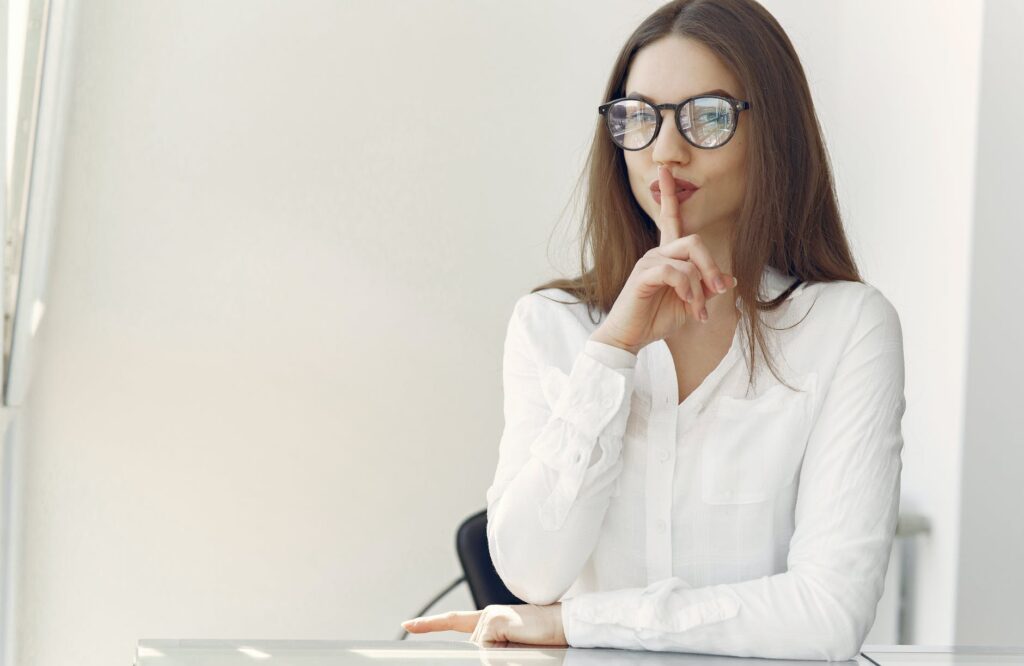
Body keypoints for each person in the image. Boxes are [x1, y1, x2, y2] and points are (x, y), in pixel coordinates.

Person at [402, 0, 906, 660]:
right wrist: (612, 351)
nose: (665, 151)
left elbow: (827, 614)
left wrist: (577, 623)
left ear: (774, 131)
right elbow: (528, 576)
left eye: (708, 117)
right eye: (639, 118)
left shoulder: (845, 328)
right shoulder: (552, 326)